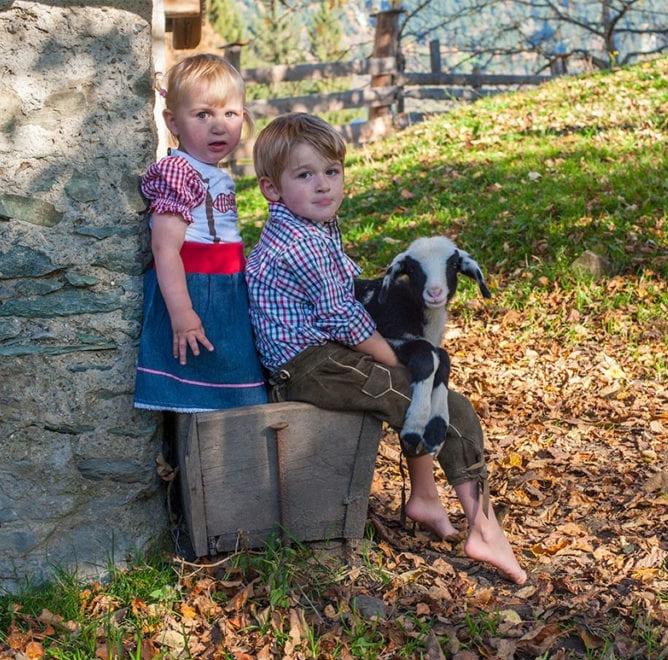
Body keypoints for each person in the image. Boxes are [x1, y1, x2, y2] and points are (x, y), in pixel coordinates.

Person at [245, 113, 527, 585]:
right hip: (310, 366)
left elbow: (355, 292)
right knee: (439, 400)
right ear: (272, 189)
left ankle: (426, 497)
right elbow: (346, 320)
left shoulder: (311, 228)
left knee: (426, 385)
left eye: (331, 172)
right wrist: (399, 358)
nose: (323, 186)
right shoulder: (302, 243)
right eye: (305, 175)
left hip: (323, 354)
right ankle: (482, 528)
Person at [134, 54, 268, 412]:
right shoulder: (179, 171)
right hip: (194, 291)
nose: (219, 126)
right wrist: (182, 312)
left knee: (239, 384)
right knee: (204, 390)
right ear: (173, 122)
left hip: (225, 290)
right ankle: (202, 453)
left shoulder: (217, 174)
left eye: (230, 114)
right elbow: (165, 249)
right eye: (203, 114)